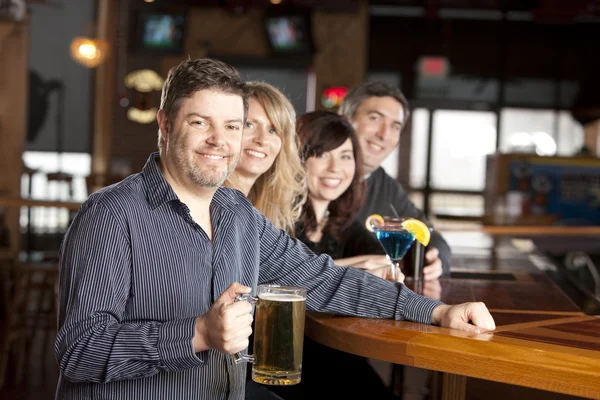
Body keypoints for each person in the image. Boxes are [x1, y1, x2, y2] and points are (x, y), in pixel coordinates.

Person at [54, 58, 495, 400]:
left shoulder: (237, 214)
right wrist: (197, 334)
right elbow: (79, 351)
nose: (218, 140)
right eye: (198, 122)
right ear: (166, 125)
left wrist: (435, 312)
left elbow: (324, 279)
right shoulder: (111, 215)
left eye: (231, 126)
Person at [339, 81, 451, 281]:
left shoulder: (384, 184)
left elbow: (429, 235)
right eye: (374, 118)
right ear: (345, 119)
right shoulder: (309, 177)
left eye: (395, 126)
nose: (383, 134)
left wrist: (436, 259)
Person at [224, 81, 305, 235]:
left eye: (273, 130)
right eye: (249, 125)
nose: (262, 140)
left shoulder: (261, 210)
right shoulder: (211, 204)